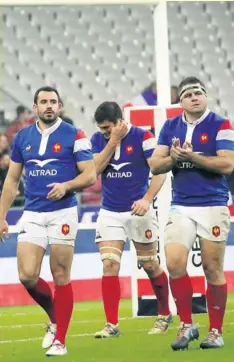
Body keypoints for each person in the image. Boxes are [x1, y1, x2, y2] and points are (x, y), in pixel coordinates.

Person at [0, 86, 96, 356]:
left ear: (60, 106)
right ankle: (54, 318)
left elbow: (89, 175)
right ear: (35, 107)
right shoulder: (22, 138)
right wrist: (1, 216)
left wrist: (66, 186)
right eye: (44, 102)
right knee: (27, 275)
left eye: (53, 101)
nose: (49, 106)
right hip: (32, 212)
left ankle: (60, 341)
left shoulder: (75, 135)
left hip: (63, 211)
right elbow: (12, 180)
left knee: (61, 275)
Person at [149, 76, 234, 351]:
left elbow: (227, 164)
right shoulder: (170, 126)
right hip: (181, 205)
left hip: (213, 203)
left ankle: (216, 331)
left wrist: (192, 156)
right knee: (174, 264)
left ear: (206, 97)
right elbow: (155, 164)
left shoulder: (221, 124)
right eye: (188, 94)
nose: (195, 97)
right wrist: (175, 158)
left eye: (199, 93)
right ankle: (187, 324)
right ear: (181, 101)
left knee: (212, 269)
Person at [90, 101, 172, 339]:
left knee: (149, 264)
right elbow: (93, 170)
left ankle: (164, 314)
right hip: (110, 211)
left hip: (139, 210)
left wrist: (146, 199)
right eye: (102, 128)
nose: (105, 131)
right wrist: (112, 141)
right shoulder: (98, 140)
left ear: (119, 121)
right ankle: (111, 324)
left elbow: (160, 171)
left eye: (108, 127)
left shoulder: (143, 136)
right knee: (109, 263)